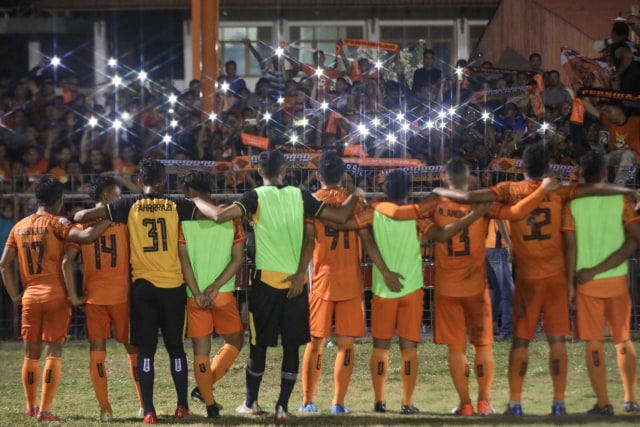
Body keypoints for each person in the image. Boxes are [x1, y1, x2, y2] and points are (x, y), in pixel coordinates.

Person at [432, 143, 637, 416]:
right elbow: (593, 189)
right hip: (556, 277)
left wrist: (442, 190)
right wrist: (626, 189)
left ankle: (515, 403)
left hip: (527, 279)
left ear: (522, 168)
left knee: (520, 341)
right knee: (557, 341)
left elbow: (470, 198)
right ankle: (559, 403)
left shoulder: (508, 190)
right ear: (549, 168)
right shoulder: (559, 190)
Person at [189, 149, 361, 422]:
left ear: (259, 171)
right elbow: (338, 219)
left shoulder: (255, 196)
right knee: (292, 347)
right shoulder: (301, 195)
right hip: (295, 283)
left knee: (258, 346)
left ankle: (251, 402)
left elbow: (220, 216)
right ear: (284, 170)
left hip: (266, 284)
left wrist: (197, 199)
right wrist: (357, 195)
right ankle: (282, 407)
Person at [351, 169, 488, 415]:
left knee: (380, 347)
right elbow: (443, 234)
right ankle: (407, 402)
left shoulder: (372, 211)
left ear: (384, 190)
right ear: (411, 192)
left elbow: (366, 240)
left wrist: (385, 272)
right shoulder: (418, 217)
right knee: (409, 348)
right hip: (412, 288)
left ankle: (379, 401)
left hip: (383, 288)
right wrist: (475, 215)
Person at [74, 159, 198, 424]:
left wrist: (106, 213)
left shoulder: (127, 205)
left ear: (141, 182)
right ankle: (183, 406)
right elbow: (208, 213)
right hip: (173, 286)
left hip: (141, 287)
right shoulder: (177, 204)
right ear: (165, 181)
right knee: (176, 349)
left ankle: (150, 410)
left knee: (145, 351)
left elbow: (81, 217)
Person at [297, 152, 401, 415]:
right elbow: (367, 240)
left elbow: (309, 241)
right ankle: (338, 403)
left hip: (322, 280)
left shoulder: (312, 202)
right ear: (343, 175)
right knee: (346, 344)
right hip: (351, 281)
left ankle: (308, 401)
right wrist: (385, 271)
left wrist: (299, 273)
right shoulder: (356, 201)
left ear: (318, 175)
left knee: (315, 343)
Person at [0, 176, 110, 422]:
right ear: (59, 201)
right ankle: (44, 410)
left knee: (30, 353)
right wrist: (111, 215)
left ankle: (29, 406)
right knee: (54, 352)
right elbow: (86, 237)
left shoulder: (19, 226)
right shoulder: (57, 222)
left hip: (30, 296)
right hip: (56, 296)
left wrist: (15, 295)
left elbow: (3, 264)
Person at [563, 151, 640, 415]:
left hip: (586, 283)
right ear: (606, 174)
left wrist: (572, 284)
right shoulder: (621, 199)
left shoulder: (572, 204)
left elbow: (570, 249)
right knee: (623, 339)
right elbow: (634, 240)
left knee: (594, 343)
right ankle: (631, 399)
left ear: (581, 174)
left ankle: (604, 403)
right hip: (617, 280)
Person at [62, 177, 143, 422]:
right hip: (122, 296)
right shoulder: (125, 222)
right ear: (108, 197)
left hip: (94, 297)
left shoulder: (83, 226)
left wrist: (73, 295)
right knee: (133, 350)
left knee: (97, 352)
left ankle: (105, 409)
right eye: (118, 195)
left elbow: (67, 262)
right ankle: (144, 404)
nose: (121, 200)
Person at [176, 171, 245, 419]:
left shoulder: (183, 222)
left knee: (200, 353)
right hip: (223, 293)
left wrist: (197, 291)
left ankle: (209, 404)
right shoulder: (230, 218)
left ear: (189, 192)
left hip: (194, 296)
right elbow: (239, 259)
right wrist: (216, 286)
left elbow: (184, 262)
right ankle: (206, 388)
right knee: (235, 341)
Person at [581, 98, 640, 184]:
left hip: (634, 158)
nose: (608, 115)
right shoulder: (609, 121)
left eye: (609, 111)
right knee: (597, 160)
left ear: (619, 110)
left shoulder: (635, 121)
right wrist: (580, 95)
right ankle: (588, 187)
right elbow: (593, 111)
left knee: (627, 154)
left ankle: (619, 185)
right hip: (616, 157)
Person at [486, 218, 514, 340]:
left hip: (489, 248)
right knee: (508, 292)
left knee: (499, 292)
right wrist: (509, 243)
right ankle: (507, 331)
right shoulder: (501, 200)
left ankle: (484, 327)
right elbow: (499, 218)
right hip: (498, 248)